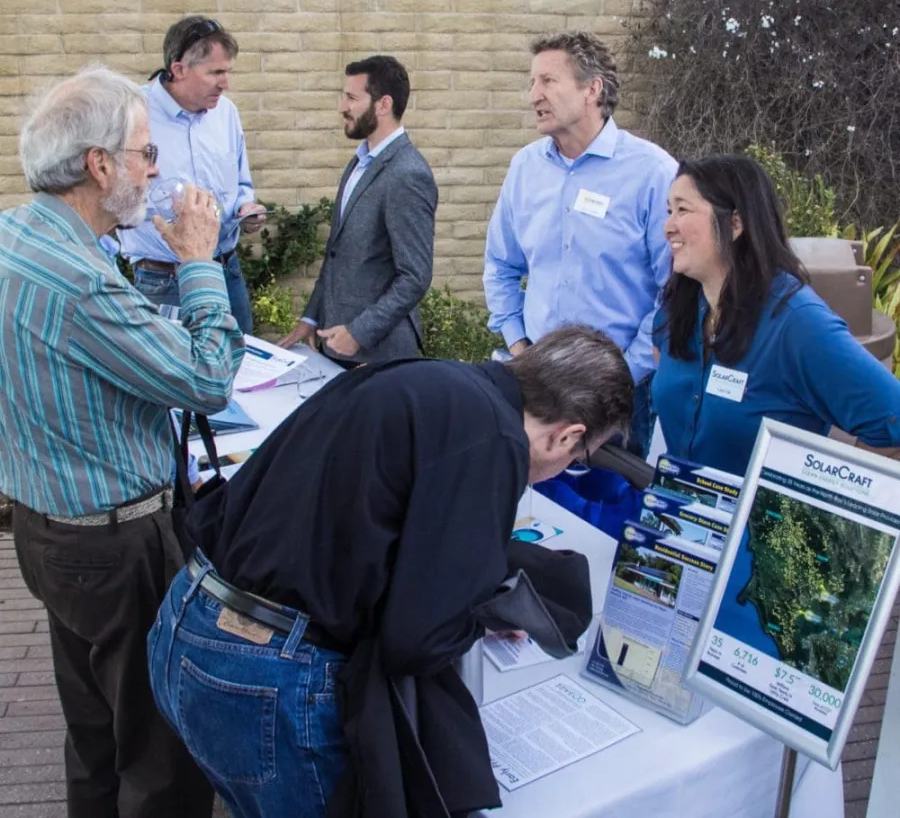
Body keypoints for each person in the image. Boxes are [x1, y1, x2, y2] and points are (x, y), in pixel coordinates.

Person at [147, 326, 634, 817]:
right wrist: (473, 615)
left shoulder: (426, 379)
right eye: (580, 457)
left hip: (186, 620)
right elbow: (417, 641)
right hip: (263, 677)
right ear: (568, 436)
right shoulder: (494, 436)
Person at [0, 65, 245, 817]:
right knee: (159, 749)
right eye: (144, 151)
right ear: (98, 165)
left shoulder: (18, 233)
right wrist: (200, 263)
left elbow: (92, 346)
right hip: (115, 547)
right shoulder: (78, 278)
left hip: (47, 529)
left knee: (95, 732)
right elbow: (208, 379)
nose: (156, 166)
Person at [483, 31, 677, 457]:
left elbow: (674, 291)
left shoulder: (652, 173)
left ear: (593, 89)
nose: (533, 95)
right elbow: (500, 264)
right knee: (535, 514)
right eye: (532, 82)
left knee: (613, 514)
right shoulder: (525, 167)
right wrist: (519, 345)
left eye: (548, 81)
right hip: (534, 381)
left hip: (620, 396)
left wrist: (624, 372)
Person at [652, 154, 900, 477]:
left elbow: (892, 422)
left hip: (760, 526)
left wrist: (830, 499)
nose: (668, 226)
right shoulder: (677, 309)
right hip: (674, 515)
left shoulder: (797, 323)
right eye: (669, 211)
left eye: (682, 210)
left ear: (735, 224)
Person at [278, 55, 436, 366]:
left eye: (351, 97)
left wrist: (360, 332)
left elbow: (415, 276)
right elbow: (337, 254)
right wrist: (311, 317)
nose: (342, 107)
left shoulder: (408, 174)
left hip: (380, 354)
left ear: (383, 104)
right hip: (335, 344)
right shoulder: (360, 162)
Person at [117, 15, 266, 333]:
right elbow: (110, 195)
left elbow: (241, 182)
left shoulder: (226, 113)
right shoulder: (131, 114)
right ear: (179, 68)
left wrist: (246, 207)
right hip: (165, 278)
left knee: (241, 371)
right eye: (215, 72)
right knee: (168, 380)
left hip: (226, 270)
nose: (225, 83)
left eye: (227, 71)